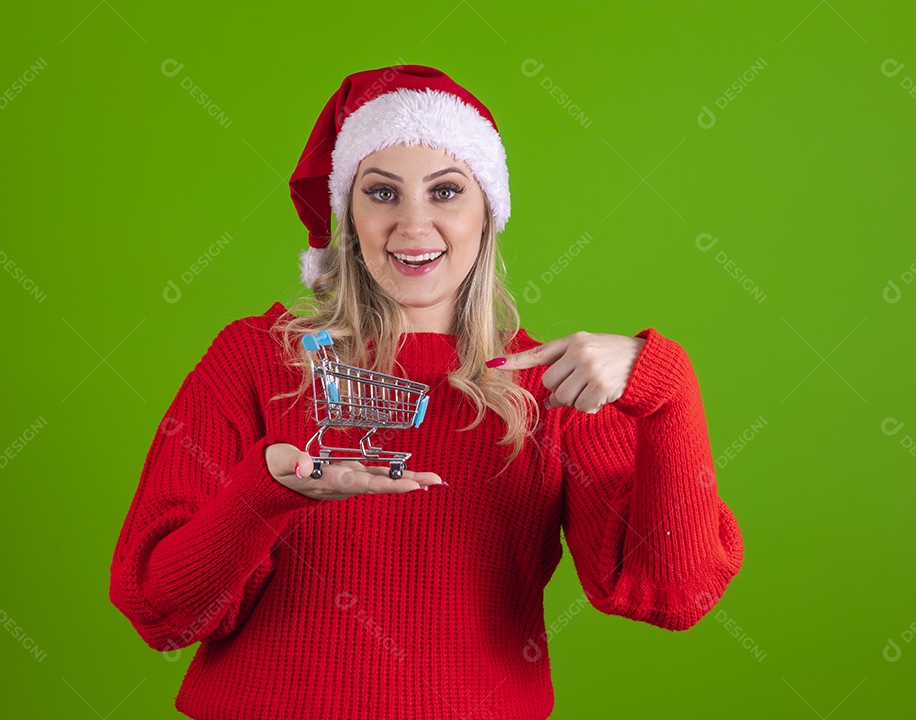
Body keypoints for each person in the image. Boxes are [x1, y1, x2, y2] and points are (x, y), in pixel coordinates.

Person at [109, 64, 744, 720]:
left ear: (487, 213)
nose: (413, 226)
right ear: (348, 216)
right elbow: (161, 612)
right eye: (382, 193)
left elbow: (676, 595)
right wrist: (264, 495)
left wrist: (668, 387)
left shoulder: (553, 389)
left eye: (445, 191)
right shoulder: (255, 359)